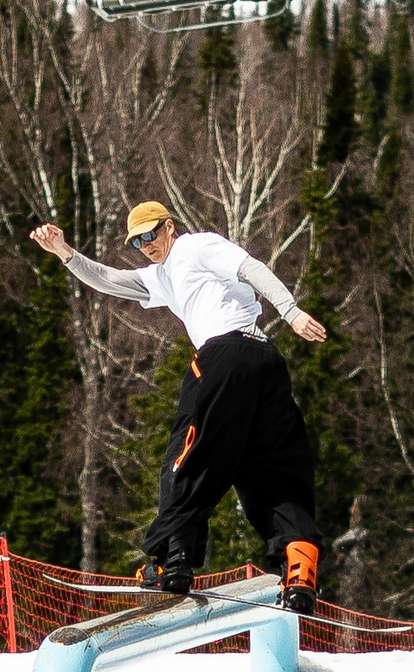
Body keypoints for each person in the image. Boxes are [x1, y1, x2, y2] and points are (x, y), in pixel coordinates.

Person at [30, 201, 328, 613]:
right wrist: (65, 253)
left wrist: (290, 311)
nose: (145, 246)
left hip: (224, 355)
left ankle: (173, 560)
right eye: (136, 242)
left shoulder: (197, 246)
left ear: (169, 227)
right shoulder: (163, 276)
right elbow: (111, 281)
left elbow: (252, 269)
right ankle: (299, 568)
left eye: (150, 235)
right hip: (266, 366)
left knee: (186, 456)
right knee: (271, 468)